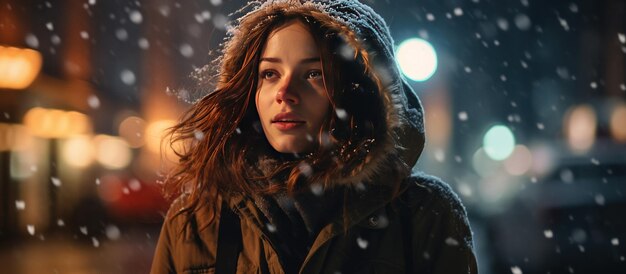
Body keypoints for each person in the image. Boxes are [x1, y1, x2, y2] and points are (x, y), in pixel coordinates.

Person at [151, 0, 478, 273]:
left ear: (358, 93)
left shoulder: (423, 215)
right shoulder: (195, 222)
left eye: (313, 74)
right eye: (269, 73)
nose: (284, 93)